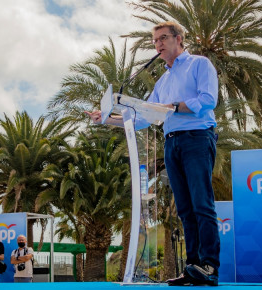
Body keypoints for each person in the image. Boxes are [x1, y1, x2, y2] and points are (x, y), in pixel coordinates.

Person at [85, 21, 219, 286]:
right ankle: (193, 268)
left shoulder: (199, 64)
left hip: (197, 138)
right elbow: (143, 118)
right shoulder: (163, 80)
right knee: (184, 208)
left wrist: (173, 107)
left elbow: (208, 100)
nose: (158, 44)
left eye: (163, 38)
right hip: (171, 142)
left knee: (201, 204)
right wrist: (106, 119)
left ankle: (209, 267)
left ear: (179, 39)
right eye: (155, 40)